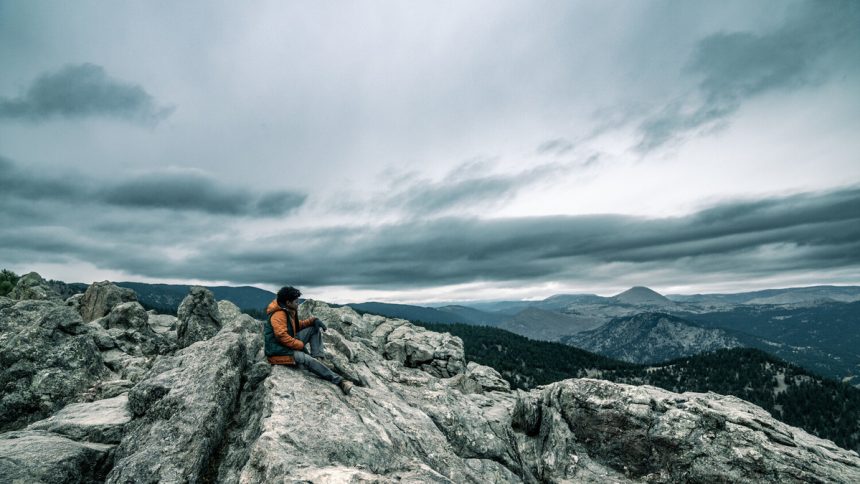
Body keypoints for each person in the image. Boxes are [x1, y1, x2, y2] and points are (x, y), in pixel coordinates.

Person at [263, 285, 353, 395]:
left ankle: (318, 360)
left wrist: (312, 321)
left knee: (313, 329)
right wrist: (299, 345)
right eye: (296, 301)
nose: (298, 303)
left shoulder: (289, 310)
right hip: (278, 352)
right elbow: (281, 336)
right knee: (306, 359)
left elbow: (296, 326)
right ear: (288, 302)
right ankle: (340, 382)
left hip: (286, 345)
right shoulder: (279, 314)